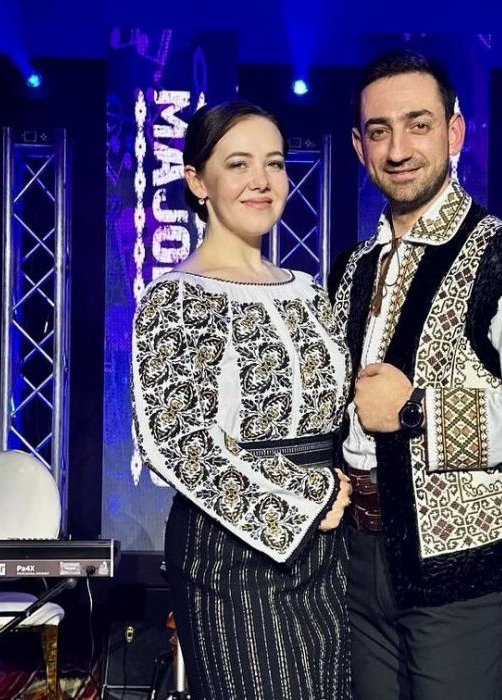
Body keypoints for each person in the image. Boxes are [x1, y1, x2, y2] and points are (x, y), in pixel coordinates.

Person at [328, 50, 502, 700]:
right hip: (358, 567)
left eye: (418, 125)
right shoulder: (353, 268)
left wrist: (418, 412)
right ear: (360, 147)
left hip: (467, 578)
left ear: (454, 131)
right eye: (380, 131)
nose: (398, 150)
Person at [131, 100, 353, 700]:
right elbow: (177, 443)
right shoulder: (175, 298)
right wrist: (311, 495)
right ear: (197, 181)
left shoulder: (308, 291)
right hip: (232, 556)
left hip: (334, 551)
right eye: (238, 164)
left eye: (274, 163)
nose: (262, 180)